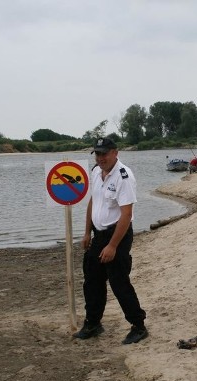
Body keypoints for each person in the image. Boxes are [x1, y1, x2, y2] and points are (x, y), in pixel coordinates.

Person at [73, 137, 148, 345]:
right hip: (99, 234)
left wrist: (113, 246)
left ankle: (138, 326)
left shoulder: (123, 176)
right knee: (92, 280)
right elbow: (93, 201)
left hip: (118, 234)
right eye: (97, 154)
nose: (101, 158)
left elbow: (126, 214)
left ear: (116, 152)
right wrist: (87, 232)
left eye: (104, 153)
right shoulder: (96, 172)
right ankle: (93, 323)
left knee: (119, 282)